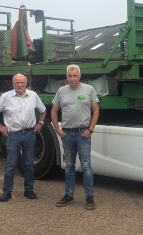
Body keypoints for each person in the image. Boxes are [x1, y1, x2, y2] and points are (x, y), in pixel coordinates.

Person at [0, 73, 46, 202]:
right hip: (13, 135)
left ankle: (29, 190)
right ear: (13, 84)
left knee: (29, 164)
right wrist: (0, 126)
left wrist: (40, 123)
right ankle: (7, 191)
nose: (19, 85)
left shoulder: (33, 96)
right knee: (11, 164)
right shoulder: (6, 97)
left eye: (22, 83)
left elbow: (43, 110)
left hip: (30, 134)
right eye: (17, 83)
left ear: (26, 84)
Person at [51, 64, 99, 210]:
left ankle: (89, 198)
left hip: (83, 133)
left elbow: (96, 110)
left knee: (86, 166)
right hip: (67, 134)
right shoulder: (61, 91)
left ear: (79, 76)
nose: (72, 78)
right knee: (69, 165)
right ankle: (69, 195)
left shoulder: (88, 89)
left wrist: (90, 129)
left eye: (74, 76)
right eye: (69, 76)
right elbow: (53, 111)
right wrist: (57, 129)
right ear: (67, 76)